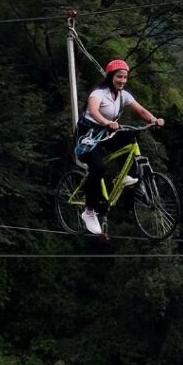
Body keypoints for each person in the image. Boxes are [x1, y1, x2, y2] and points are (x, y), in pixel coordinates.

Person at [75, 59, 164, 235]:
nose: (122, 80)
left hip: (106, 133)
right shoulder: (99, 93)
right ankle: (89, 211)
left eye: (125, 77)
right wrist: (106, 122)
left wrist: (154, 119)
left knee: (129, 138)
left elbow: (140, 111)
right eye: (118, 77)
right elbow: (93, 111)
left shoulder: (123, 95)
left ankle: (122, 176)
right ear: (110, 77)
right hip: (89, 137)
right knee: (98, 168)